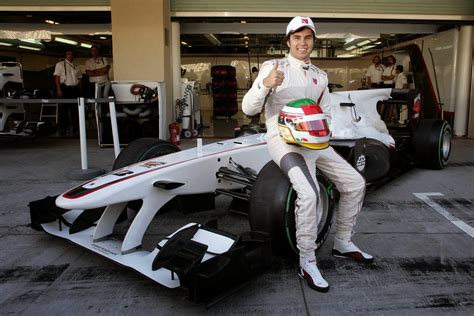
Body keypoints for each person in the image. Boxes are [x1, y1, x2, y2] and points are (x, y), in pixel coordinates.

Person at [242, 16, 373, 293]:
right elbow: (248, 109)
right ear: (288, 41)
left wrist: (319, 128)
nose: (303, 43)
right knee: (310, 193)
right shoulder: (273, 67)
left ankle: (342, 242)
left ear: (313, 41)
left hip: (313, 142)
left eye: (308, 38)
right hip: (283, 141)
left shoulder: (320, 76)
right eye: (297, 37)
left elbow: (325, 114)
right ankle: (307, 260)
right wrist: (265, 84)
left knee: (355, 183)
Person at [54, 49, 82, 135]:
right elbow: (57, 78)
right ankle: (63, 128)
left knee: (76, 110)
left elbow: (80, 79)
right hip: (65, 88)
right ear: (65, 55)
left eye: (72, 54)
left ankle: (76, 128)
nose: (70, 56)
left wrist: (80, 90)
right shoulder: (60, 64)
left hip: (75, 88)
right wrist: (59, 89)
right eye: (68, 54)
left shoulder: (77, 65)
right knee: (63, 110)